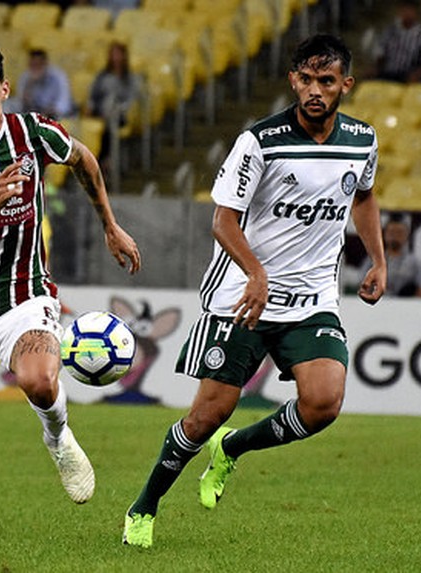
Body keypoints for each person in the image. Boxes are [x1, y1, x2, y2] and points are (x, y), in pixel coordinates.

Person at [122, 34, 385, 549]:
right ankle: (144, 506)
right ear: (293, 80)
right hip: (242, 295)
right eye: (306, 79)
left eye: (326, 81)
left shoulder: (363, 140)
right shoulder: (260, 141)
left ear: (345, 85)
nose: (315, 90)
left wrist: (378, 258)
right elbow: (222, 220)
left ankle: (235, 449)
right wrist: (256, 272)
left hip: (311, 297)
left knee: (324, 403)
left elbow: (366, 196)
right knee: (205, 416)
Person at [0, 42, 141, 549]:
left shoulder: (29, 132)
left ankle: (58, 437)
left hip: (25, 295)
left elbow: (83, 158)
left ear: (4, 89)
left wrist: (110, 224)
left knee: (38, 380)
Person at [86, 41, 143, 158]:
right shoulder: (102, 76)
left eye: (118, 54)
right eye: (113, 54)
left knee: (110, 124)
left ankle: (106, 160)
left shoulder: (131, 79)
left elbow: (132, 101)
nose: (116, 58)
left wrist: (120, 110)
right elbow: (93, 96)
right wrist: (91, 108)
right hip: (101, 113)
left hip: (120, 115)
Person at [360, 214, 421, 297]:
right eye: (392, 232)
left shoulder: (414, 263)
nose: (395, 236)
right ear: (384, 234)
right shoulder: (373, 260)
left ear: (406, 235)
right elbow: (362, 285)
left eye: (399, 233)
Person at [372, 0, 421, 83]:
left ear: (416, 13)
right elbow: (381, 54)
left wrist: (416, 75)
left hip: (408, 76)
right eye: (404, 10)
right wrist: (375, 68)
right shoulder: (390, 32)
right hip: (388, 74)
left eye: (410, 10)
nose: (407, 13)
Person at [14, 48, 74, 119]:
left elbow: (64, 103)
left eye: (38, 65)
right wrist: (29, 86)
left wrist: (52, 111)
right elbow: (20, 104)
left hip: (56, 116)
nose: (36, 68)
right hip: (34, 115)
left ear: (45, 64)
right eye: (33, 65)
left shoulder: (58, 77)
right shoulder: (25, 78)